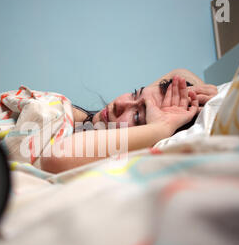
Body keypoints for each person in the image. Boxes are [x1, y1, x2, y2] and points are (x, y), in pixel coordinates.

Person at [41, 69, 218, 173]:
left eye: (137, 116)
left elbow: (57, 155)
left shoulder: (89, 154)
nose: (120, 103)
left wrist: (162, 127)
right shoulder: (78, 121)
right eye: (135, 93)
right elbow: (181, 73)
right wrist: (200, 93)